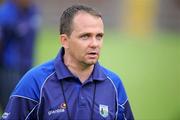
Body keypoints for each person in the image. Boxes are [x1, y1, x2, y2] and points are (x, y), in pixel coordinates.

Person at [1, 4, 134, 120]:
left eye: (99, 36)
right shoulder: (34, 82)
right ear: (65, 40)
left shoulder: (114, 84)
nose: (94, 44)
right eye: (85, 36)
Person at [0, 0, 40, 110]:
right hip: (10, 70)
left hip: (28, 68)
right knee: (13, 109)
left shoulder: (33, 10)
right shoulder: (5, 13)